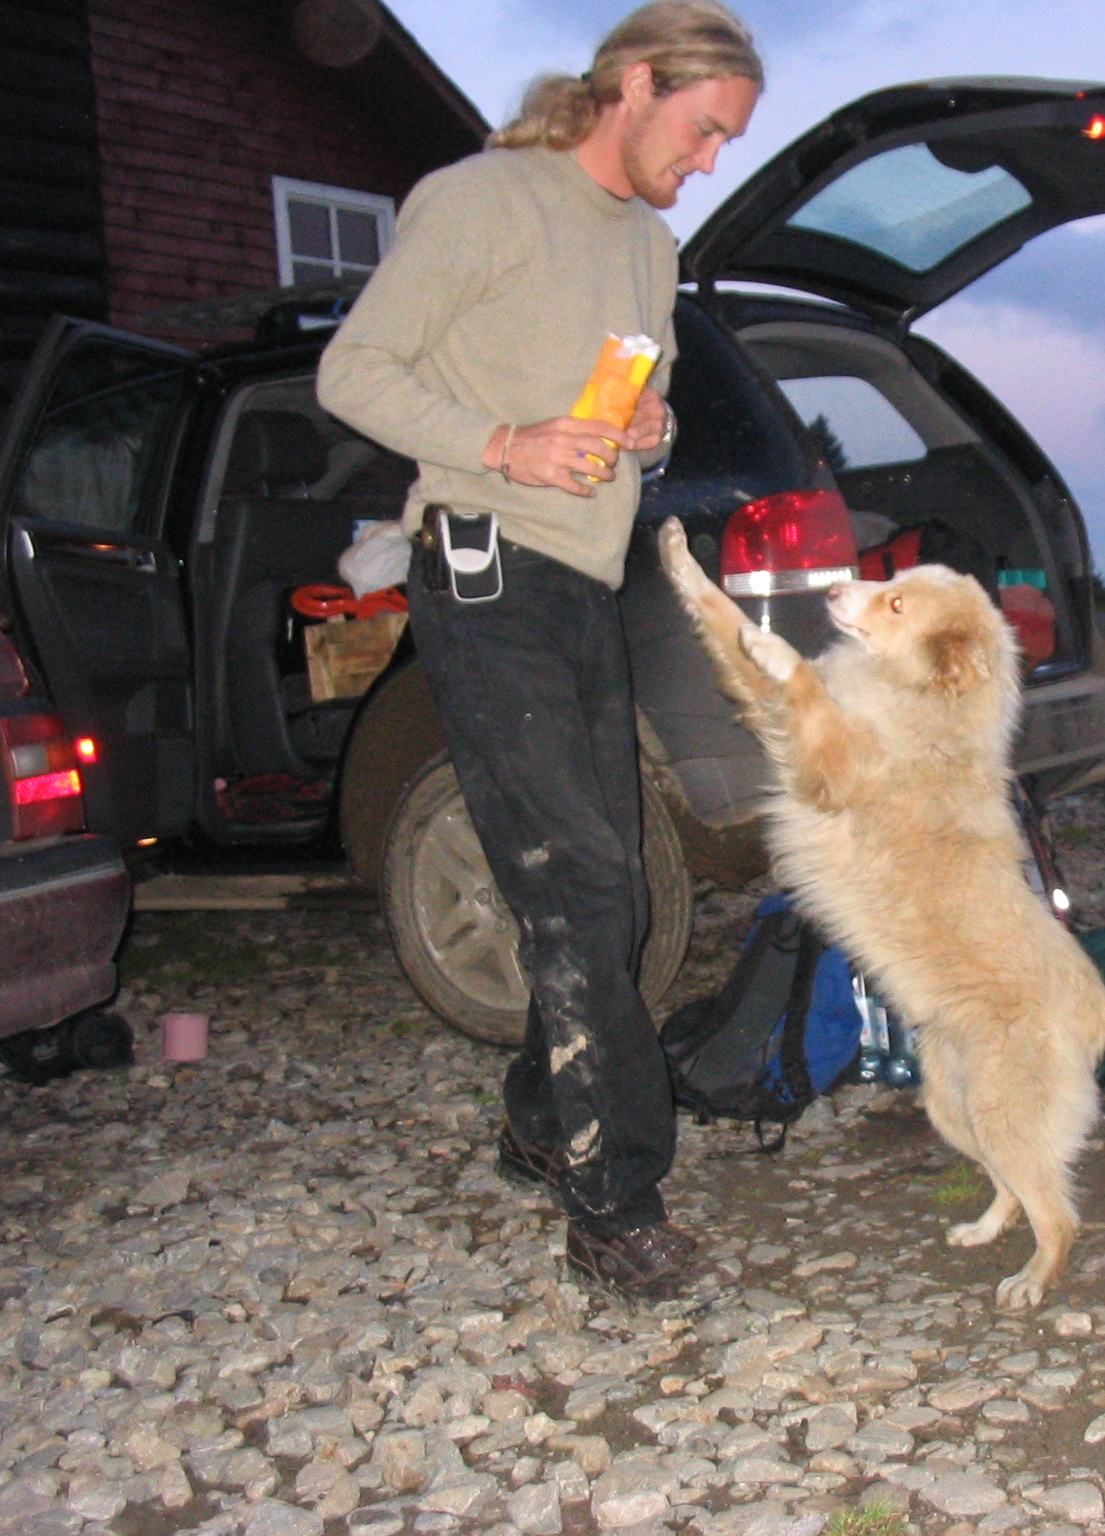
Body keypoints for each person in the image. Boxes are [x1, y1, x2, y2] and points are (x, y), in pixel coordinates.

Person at [317, 1, 762, 1300]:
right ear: (637, 83)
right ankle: (615, 1209)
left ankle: (537, 1116)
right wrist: (504, 445)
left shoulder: (648, 244)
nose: (709, 160)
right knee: (578, 890)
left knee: (617, 884)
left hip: (585, 580)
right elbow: (355, 370)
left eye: (728, 142)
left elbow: (644, 394)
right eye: (703, 129)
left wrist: (654, 428)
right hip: (486, 570)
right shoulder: (482, 200)